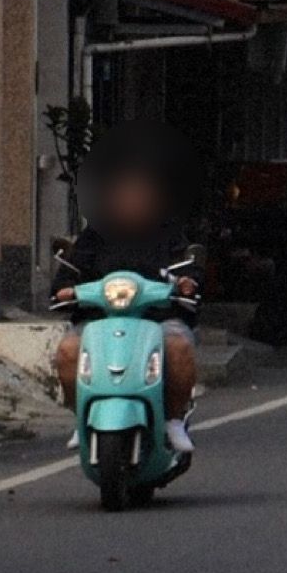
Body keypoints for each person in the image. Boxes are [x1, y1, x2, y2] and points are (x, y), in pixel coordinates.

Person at [53, 162, 201, 454]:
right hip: (99, 319)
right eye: (125, 195)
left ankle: (173, 419)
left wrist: (186, 283)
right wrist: (66, 290)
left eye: (140, 195)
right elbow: (68, 274)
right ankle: (81, 417)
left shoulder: (169, 234)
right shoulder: (94, 236)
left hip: (157, 317)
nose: (132, 202)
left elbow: (188, 269)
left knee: (178, 347)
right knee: (69, 351)